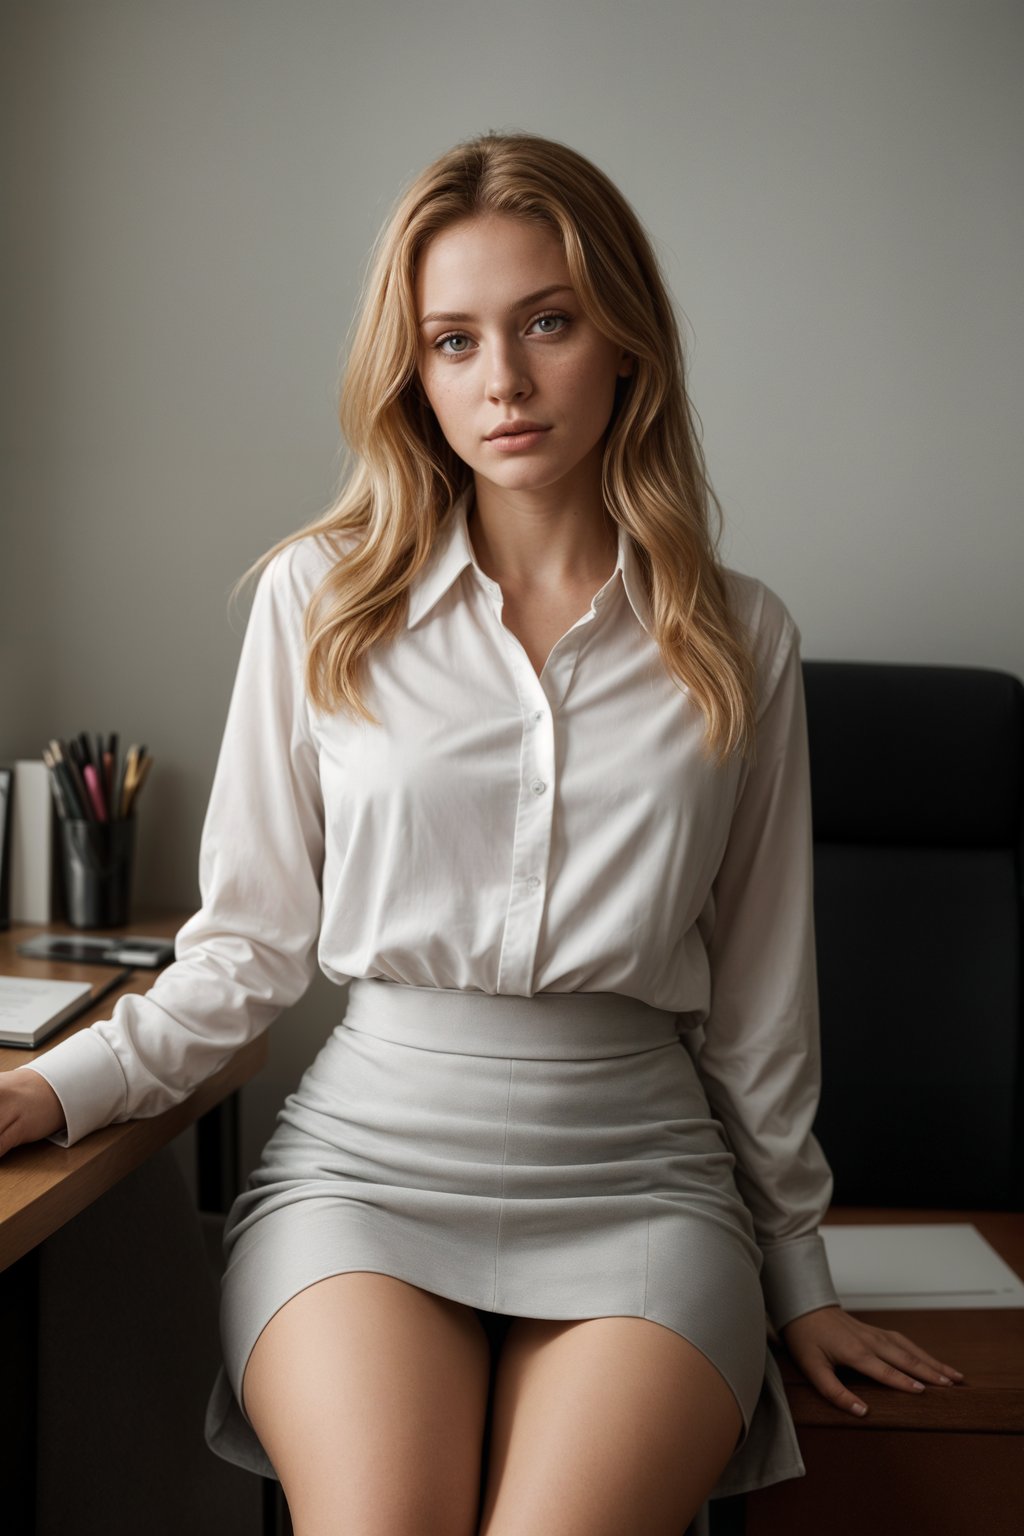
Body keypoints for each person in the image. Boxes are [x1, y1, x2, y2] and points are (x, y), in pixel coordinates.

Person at [0, 130, 963, 1536]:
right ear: (414, 371)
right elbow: (248, 956)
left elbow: (763, 1006)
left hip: (642, 1183)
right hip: (365, 1178)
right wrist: (49, 1090)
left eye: (547, 324)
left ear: (624, 342)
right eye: (453, 340)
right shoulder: (317, 603)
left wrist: (799, 1277)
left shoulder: (740, 637)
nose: (501, 381)